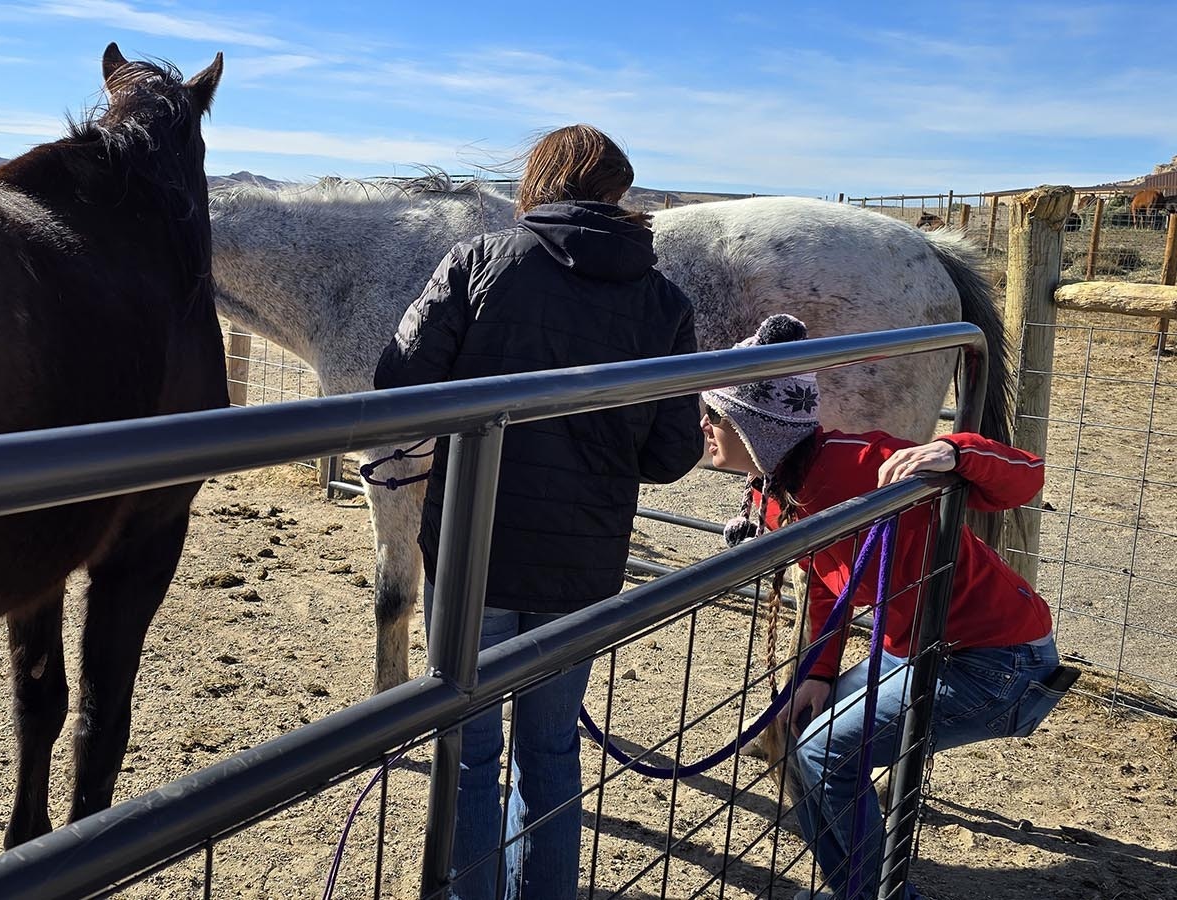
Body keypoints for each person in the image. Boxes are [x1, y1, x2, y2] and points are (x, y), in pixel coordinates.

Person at [373, 124, 704, 900]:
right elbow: (669, 455)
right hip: (581, 563)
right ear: (620, 194)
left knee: (470, 747)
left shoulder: (478, 263)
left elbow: (399, 381)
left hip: (470, 548)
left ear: (540, 182)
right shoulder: (663, 301)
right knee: (552, 749)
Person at [700, 314, 1066, 900]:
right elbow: (826, 586)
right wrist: (817, 674)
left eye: (714, 415)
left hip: (995, 663)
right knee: (796, 742)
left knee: (821, 755)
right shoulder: (776, 496)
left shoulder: (862, 463)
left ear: (754, 426)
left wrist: (955, 452)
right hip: (917, 653)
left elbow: (1028, 479)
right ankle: (860, 890)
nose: (703, 425)